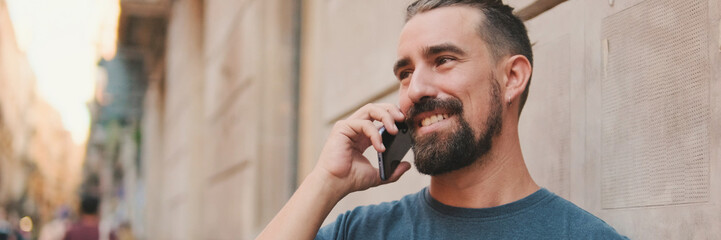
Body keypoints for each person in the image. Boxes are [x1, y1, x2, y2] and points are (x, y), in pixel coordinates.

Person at [258, 0, 628, 239]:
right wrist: (326, 182)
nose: (414, 88)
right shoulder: (361, 232)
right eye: (405, 72)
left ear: (512, 77)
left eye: (443, 60)